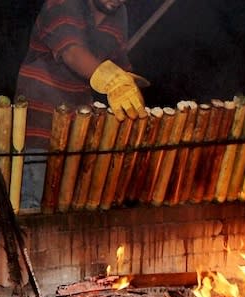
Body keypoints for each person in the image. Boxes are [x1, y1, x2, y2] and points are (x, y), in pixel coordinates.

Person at [16, 0, 147, 209]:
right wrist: (112, 81)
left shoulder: (119, 13)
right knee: (30, 211)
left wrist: (130, 87)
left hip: (78, 132)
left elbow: (118, 61)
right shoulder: (62, 3)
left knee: (69, 214)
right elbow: (72, 53)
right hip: (39, 128)